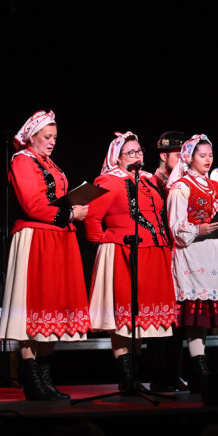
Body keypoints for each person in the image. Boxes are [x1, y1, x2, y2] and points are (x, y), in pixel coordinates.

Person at [0, 110, 91, 400]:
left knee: (52, 306)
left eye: (54, 137)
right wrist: (70, 212)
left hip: (58, 237)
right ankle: (31, 379)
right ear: (32, 137)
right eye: (47, 137)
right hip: (35, 237)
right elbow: (32, 204)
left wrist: (77, 208)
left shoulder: (49, 163)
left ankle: (45, 377)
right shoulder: (22, 160)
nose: (52, 142)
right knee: (32, 305)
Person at [84, 132, 178, 392]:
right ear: (117, 156)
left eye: (139, 152)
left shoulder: (150, 180)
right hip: (123, 252)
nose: (137, 157)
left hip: (154, 252)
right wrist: (107, 243)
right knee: (123, 317)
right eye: (131, 153)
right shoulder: (108, 181)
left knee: (141, 318)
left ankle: (135, 376)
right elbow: (92, 218)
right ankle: (127, 378)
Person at [166, 134, 218, 389]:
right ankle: (198, 370)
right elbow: (176, 227)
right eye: (202, 155)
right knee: (197, 318)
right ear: (190, 158)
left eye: (210, 155)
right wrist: (198, 230)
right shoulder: (180, 187)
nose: (208, 160)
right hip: (195, 254)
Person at [147, 130, 189, 391]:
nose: (183, 160)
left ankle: (173, 373)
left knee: (180, 320)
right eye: (177, 155)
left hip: (181, 254)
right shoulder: (152, 182)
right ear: (164, 155)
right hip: (160, 254)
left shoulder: (184, 183)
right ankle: (159, 376)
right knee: (161, 318)